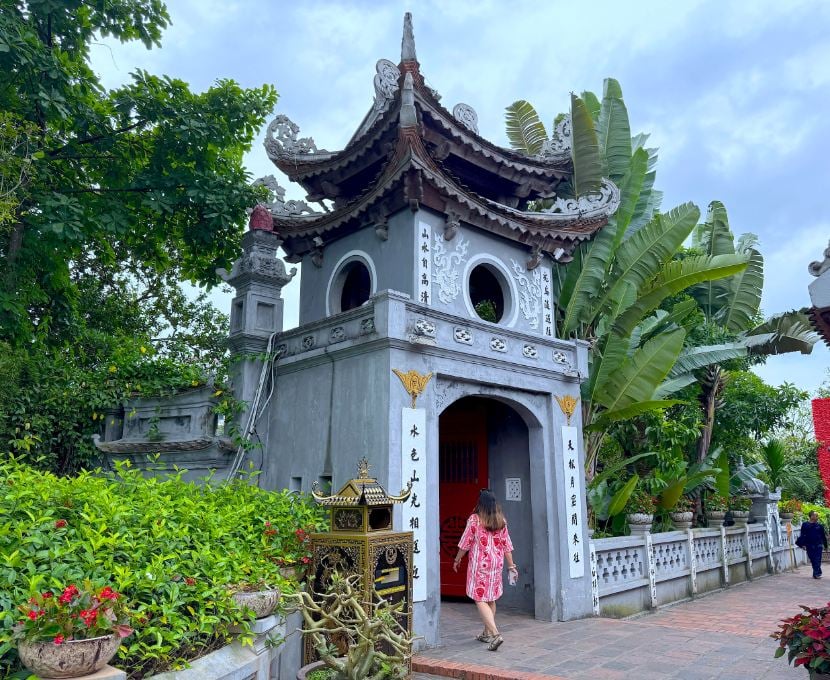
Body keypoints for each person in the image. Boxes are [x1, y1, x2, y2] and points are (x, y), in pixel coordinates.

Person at [453, 489, 517, 652]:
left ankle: (495, 634)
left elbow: (465, 543)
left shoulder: (475, 520)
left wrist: (457, 558)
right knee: (491, 598)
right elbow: (506, 545)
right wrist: (511, 566)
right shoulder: (500, 520)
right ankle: (486, 633)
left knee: (479, 598)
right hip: (497, 564)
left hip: (480, 565)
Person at [799, 511, 828, 579]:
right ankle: (818, 571)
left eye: (817, 516)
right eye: (816, 515)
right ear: (811, 516)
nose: (817, 517)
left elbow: (823, 536)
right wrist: (802, 544)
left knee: (817, 559)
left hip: (818, 545)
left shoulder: (820, 526)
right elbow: (802, 535)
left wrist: (826, 546)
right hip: (809, 545)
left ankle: (816, 574)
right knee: (812, 559)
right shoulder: (805, 525)